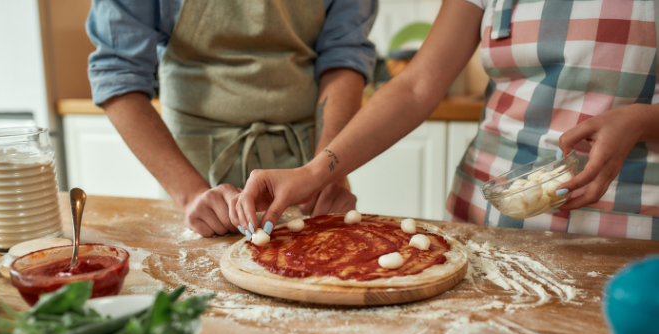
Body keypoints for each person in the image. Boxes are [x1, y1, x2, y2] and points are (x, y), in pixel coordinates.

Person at [231, 0, 659, 240]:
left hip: (622, 229)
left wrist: (643, 121)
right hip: (485, 218)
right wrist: (313, 172)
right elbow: (417, 86)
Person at [86, 0, 378, 238]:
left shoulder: (321, 171)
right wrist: (190, 194)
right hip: (192, 169)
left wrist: (325, 171)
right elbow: (117, 74)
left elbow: (344, 57)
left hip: (311, 163)